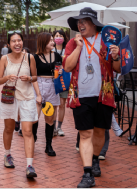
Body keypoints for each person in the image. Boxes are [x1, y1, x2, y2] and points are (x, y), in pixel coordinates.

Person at [64, 7, 121, 188]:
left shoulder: (106, 42)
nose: (80, 25)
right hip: (81, 95)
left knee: (99, 132)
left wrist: (116, 56)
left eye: (84, 21)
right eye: (78, 22)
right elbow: (67, 67)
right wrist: (79, 47)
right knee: (85, 133)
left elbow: (118, 68)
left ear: (93, 23)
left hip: (103, 94)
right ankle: (87, 173)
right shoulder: (73, 43)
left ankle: (95, 158)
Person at [0, 31, 38, 177]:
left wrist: (29, 78)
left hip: (26, 97)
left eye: (19, 40)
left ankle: (29, 165)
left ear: (22, 42)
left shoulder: (29, 57)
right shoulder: (4, 59)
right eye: (13, 41)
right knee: (8, 129)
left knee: (27, 131)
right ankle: (7, 155)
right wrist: (7, 77)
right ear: (8, 44)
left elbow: (35, 77)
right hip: (10, 97)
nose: (17, 43)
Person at [33, 32, 62, 157]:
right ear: (43, 42)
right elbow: (33, 76)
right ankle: (32, 140)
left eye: (52, 40)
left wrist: (61, 72)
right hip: (38, 86)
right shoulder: (34, 57)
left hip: (52, 86)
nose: (53, 42)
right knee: (35, 117)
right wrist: (38, 94)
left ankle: (48, 146)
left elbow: (61, 71)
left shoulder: (57, 56)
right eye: (50, 40)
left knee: (50, 118)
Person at [52, 30, 69, 136]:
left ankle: (59, 127)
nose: (58, 37)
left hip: (64, 79)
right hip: (53, 79)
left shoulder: (67, 50)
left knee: (62, 104)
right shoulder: (50, 50)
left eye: (61, 36)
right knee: (54, 104)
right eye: (56, 36)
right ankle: (53, 127)